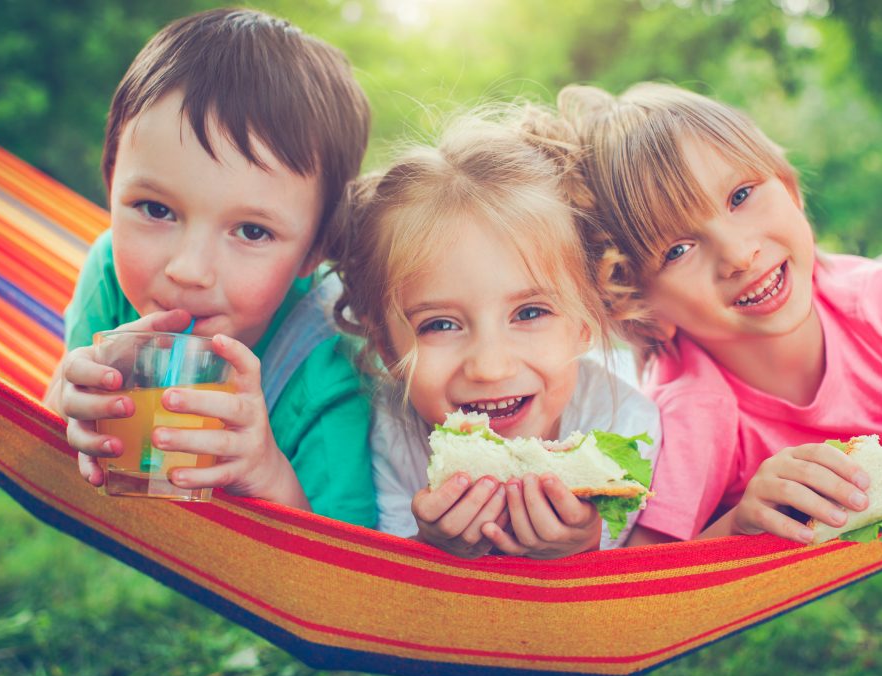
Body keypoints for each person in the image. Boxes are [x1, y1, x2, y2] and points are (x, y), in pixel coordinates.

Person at [551, 82, 882, 545]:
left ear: (789, 189)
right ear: (645, 310)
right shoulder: (694, 413)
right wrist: (737, 525)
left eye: (739, 196)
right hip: (878, 361)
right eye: (678, 249)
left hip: (879, 332)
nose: (739, 254)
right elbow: (648, 578)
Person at [43, 8, 377, 526]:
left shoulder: (332, 366)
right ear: (110, 186)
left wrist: (268, 473)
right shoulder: (110, 268)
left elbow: (348, 574)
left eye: (251, 231)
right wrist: (69, 401)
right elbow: (48, 430)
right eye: (156, 209)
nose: (189, 270)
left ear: (315, 250)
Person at [328, 109, 661, 559]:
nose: (490, 366)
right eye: (440, 325)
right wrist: (431, 547)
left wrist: (584, 547)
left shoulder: (626, 426)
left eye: (529, 313)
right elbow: (387, 590)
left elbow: (621, 605)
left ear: (586, 323)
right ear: (387, 347)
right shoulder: (395, 427)